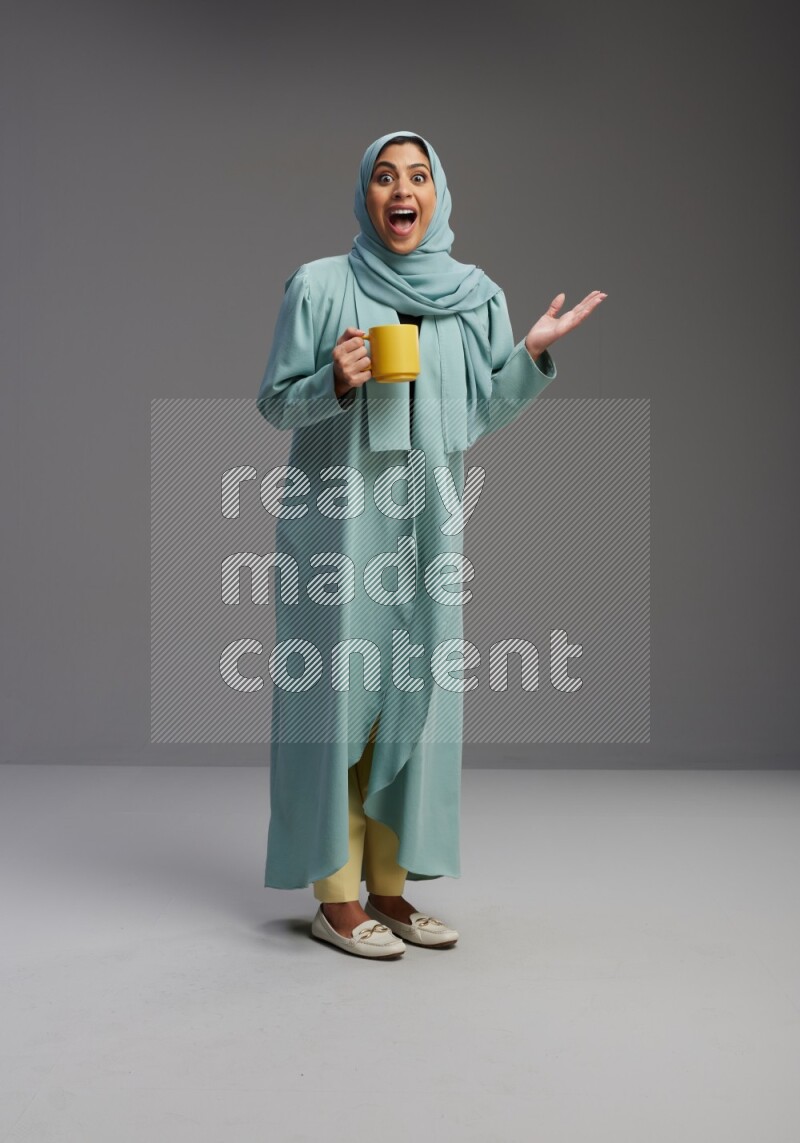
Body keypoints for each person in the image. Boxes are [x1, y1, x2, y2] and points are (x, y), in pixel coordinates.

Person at [256, 130, 606, 959]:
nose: (401, 189)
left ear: (439, 194)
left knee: (415, 702)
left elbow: (476, 415)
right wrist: (333, 381)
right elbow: (275, 405)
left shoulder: (474, 295)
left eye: (417, 175)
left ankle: (390, 889)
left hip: (429, 530)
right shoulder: (320, 287)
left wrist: (526, 355)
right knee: (339, 704)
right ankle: (334, 897)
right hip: (340, 528)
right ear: (365, 194)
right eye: (384, 176)